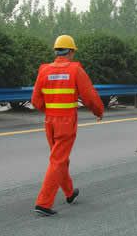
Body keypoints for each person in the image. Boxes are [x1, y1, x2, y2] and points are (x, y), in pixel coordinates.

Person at [32, 35, 104, 216]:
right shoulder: (75, 70)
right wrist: (98, 112)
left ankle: (69, 193)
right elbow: (89, 96)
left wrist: (50, 111)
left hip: (50, 122)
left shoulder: (44, 70)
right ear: (70, 52)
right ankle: (43, 203)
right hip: (66, 122)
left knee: (60, 159)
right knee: (58, 160)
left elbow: (36, 100)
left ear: (56, 51)